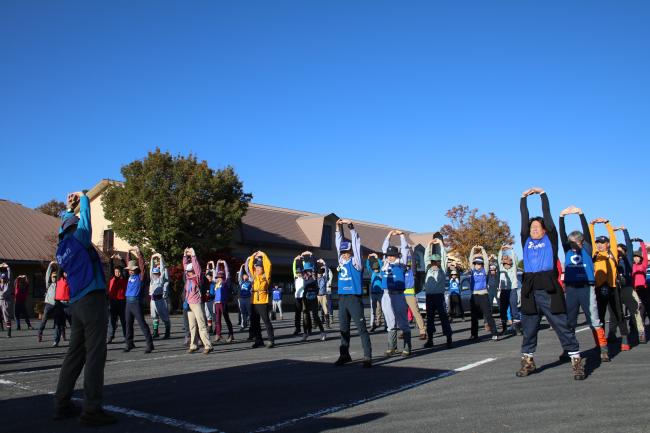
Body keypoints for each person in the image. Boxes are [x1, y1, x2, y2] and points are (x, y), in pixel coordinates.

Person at [54, 191, 117, 425]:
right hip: (92, 299)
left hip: (76, 302)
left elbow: (65, 229)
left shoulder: (60, 249)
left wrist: (68, 210)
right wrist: (82, 197)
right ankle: (92, 409)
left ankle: (61, 403)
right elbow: (87, 218)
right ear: (75, 226)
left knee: (74, 354)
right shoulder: (80, 237)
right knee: (95, 354)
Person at [516, 188, 584, 380]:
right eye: (532, 228)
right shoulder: (525, 239)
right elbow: (523, 217)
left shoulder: (550, 239)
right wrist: (523, 199)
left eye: (538, 227)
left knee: (561, 326)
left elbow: (548, 215)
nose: (534, 229)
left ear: (545, 229)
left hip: (548, 288)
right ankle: (528, 362)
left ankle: (576, 361)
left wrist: (542, 195)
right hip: (529, 289)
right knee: (529, 328)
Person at [559, 206, 607, 361]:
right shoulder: (567, 249)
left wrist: (581, 214)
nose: (571, 244)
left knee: (594, 319)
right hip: (572, 289)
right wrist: (562, 217)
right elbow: (561, 234)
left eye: (574, 241)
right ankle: (569, 349)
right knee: (570, 321)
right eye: (570, 241)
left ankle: (602, 348)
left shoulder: (586, 248)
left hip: (587, 287)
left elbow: (586, 231)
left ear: (580, 241)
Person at [334, 219, 372, 367]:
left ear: (351, 252)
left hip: (354, 299)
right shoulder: (340, 261)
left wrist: (351, 227)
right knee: (343, 329)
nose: (344, 254)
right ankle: (344, 355)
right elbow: (338, 244)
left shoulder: (356, 262)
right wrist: (338, 227)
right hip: (342, 299)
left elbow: (356, 244)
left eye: (346, 252)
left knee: (361, 328)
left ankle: (367, 356)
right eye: (342, 252)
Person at [589, 219, 630, 352]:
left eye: (602, 243)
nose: (600, 245)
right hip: (599, 289)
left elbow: (612, 237)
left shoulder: (612, 253)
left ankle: (624, 339)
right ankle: (600, 342)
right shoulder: (595, 254)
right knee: (599, 316)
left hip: (613, 288)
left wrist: (607, 224)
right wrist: (592, 225)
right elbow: (590, 237)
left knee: (618, 314)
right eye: (598, 243)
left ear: (607, 244)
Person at [381, 230, 412, 357]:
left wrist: (401, 236)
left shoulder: (401, 263)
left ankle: (407, 346)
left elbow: (405, 250)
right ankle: (392, 346)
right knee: (390, 321)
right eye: (388, 255)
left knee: (402, 321)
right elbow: (384, 247)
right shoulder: (385, 263)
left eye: (392, 255)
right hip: (386, 294)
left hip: (398, 294)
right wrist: (388, 235)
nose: (390, 257)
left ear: (397, 255)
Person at [612, 227, 644, 345]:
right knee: (615, 313)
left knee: (635, 311)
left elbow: (629, 245)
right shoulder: (614, 260)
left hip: (628, 289)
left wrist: (624, 231)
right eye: (617, 250)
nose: (618, 252)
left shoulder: (628, 259)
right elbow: (611, 244)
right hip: (617, 289)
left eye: (620, 251)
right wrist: (612, 232)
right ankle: (612, 333)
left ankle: (641, 332)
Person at [423, 239, 453, 348]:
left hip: (439, 297)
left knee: (443, 317)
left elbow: (445, 257)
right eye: (433, 262)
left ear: (440, 262)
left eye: (437, 261)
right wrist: (429, 244)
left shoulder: (442, 270)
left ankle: (449, 338)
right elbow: (426, 256)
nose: (434, 263)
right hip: (429, 296)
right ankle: (430, 339)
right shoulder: (428, 269)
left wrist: (440, 244)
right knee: (429, 318)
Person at [123, 247, 154, 354]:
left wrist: (138, 252)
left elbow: (142, 266)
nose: (130, 271)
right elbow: (128, 262)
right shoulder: (129, 276)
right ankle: (129, 343)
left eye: (132, 269)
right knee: (128, 324)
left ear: (136, 269)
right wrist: (128, 252)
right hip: (128, 303)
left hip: (136, 302)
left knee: (142, 323)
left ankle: (150, 344)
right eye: (129, 269)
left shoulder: (140, 277)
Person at [183, 248, 213, 354]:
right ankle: (193, 345)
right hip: (189, 304)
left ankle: (208, 345)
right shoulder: (188, 279)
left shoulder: (198, 278)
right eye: (187, 271)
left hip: (197, 303)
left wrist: (193, 255)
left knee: (201, 325)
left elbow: (197, 268)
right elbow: (184, 265)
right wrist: (185, 255)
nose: (188, 272)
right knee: (192, 326)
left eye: (190, 271)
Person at [468, 246, 498, 341]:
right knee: (474, 317)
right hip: (474, 295)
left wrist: (482, 249)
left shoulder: (485, 270)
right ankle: (474, 334)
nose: (478, 265)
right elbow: (470, 259)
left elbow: (486, 260)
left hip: (483, 295)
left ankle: (494, 333)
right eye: (476, 264)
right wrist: (473, 249)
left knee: (488, 315)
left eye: (479, 263)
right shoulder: (472, 271)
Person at [247, 250, 274, 348]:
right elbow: (250, 266)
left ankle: (271, 340)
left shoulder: (266, 277)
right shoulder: (254, 276)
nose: (257, 268)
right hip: (253, 301)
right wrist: (253, 256)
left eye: (259, 267)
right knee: (254, 322)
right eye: (257, 267)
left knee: (266, 321)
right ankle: (259, 340)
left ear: (263, 268)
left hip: (262, 301)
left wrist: (263, 254)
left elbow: (269, 265)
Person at [299, 252, 327, 341]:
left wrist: (312, 255)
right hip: (306, 296)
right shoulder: (304, 276)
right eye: (306, 271)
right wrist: (301, 257)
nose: (308, 272)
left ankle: (322, 332)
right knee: (305, 315)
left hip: (314, 296)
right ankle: (305, 333)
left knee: (315, 316)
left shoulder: (314, 276)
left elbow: (315, 264)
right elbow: (300, 266)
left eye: (309, 270)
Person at [497, 245, 521, 335]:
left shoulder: (514, 268)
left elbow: (514, 259)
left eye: (509, 262)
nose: (507, 264)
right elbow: (499, 259)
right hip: (504, 290)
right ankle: (504, 328)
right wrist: (501, 249)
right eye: (505, 262)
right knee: (503, 309)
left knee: (514, 308)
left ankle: (518, 329)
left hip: (512, 290)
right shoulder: (501, 269)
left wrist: (511, 249)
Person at [404, 247, 426, 341]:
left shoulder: (412, 272)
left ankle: (422, 331)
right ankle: (403, 331)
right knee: (402, 314)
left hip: (410, 294)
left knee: (416, 312)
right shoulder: (401, 270)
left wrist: (411, 251)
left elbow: (413, 261)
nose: (407, 264)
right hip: (401, 294)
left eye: (409, 263)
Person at [38, 262, 63, 345]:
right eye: (53, 277)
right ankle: (40, 333)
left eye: (55, 277)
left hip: (57, 304)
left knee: (57, 323)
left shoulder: (60, 284)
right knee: (44, 320)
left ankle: (56, 340)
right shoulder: (49, 285)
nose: (54, 278)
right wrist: (50, 265)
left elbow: (61, 272)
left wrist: (60, 265)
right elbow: (47, 274)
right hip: (49, 304)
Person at [149, 253, 171, 340]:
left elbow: (162, 269)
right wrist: (152, 259)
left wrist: (160, 258)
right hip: (152, 301)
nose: (155, 275)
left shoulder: (160, 279)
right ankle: (155, 332)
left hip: (160, 300)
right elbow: (151, 269)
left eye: (156, 273)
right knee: (154, 316)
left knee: (165, 317)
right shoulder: (152, 279)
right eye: (154, 273)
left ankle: (167, 332)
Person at [213, 260, 234, 343]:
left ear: (223, 277)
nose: (218, 278)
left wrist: (224, 263)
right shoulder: (216, 284)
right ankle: (218, 334)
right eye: (217, 277)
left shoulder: (225, 283)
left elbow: (227, 272)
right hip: (217, 303)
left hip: (223, 303)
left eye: (220, 277)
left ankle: (231, 334)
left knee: (226, 318)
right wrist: (217, 263)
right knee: (217, 320)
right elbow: (215, 272)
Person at [107, 254, 127, 344]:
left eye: (118, 272)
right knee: (112, 321)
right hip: (113, 302)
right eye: (115, 272)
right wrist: (111, 259)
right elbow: (110, 268)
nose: (117, 273)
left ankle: (126, 337)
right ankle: (110, 337)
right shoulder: (112, 278)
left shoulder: (124, 278)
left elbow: (125, 267)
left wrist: (121, 259)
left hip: (122, 302)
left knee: (124, 320)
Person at [631, 238, 648, 333]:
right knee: (635, 307)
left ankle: (642, 325)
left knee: (644, 308)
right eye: (634, 257)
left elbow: (645, 254)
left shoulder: (644, 265)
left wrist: (641, 242)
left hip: (643, 289)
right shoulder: (631, 266)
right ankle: (634, 324)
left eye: (638, 256)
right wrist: (630, 242)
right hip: (634, 289)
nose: (636, 258)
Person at [366, 253, 384, 332]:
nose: (375, 270)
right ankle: (372, 324)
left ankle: (382, 323)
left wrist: (377, 258)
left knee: (381, 308)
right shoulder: (372, 273)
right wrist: (368, 258)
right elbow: (368, 267)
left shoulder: (381, 273)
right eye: (374, 268)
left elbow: (381, 264)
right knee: (373, 310)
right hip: (373, 294)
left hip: (380, 293)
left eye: (376, 268)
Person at [292, 254, 305, 336]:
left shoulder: (304, 277)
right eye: (297, 272)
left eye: (299, 272)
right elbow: (293, 268)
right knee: (297, 314)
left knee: (305, 313)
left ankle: (306, 329)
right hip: (297, 297)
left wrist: (302, 260)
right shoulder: (295, 277)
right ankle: (297, 328)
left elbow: (304, 267)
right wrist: (295, 260)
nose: (298, 273)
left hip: (303, 297)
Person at [316, 259, 331, 329]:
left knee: (325, 309)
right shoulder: (316, 279)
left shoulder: (324, 278)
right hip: (317, 296)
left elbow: (327, 270)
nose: (319, 274)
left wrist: (324, 263)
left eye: (320, 273)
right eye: (319, 273)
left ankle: (327, 324)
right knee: (315, 309)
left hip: (323, 295)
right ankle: (315, 323)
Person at [0, 263, 14, 338]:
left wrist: (8, 267)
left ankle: (9, 333)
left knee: (7, 317)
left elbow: (10, 276)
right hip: (0, 300)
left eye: (4, 278)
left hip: (6, 301)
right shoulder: (0, 284)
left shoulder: (8, 284)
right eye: (2, 278)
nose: (3, 279)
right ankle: (1, 328)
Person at [237, 264, 252, 331]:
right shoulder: (241, 282)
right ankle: (243, 325)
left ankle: (251, 325)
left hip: (248, 298)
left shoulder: (250, 282)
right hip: (241, 299)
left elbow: (250, 274)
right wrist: (241, 267)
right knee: (243, 313)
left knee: (249, 312)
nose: (245, 276)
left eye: (246, 275)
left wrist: (248, 268)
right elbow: (239, 275)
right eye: (244, 275)